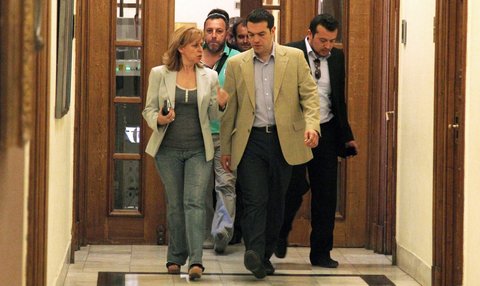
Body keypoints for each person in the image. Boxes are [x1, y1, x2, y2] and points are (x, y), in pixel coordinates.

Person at [220, 8, 320, 279]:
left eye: (261, 34)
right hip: (251, 141)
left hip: (283, 140)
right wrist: (226, 149)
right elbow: (230, 109)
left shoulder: (295, 58)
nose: (255, 40)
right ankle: (253, 251)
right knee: (254, 198)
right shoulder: (237, 64)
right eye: (250, 35)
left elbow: (310, 97)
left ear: (273, 32)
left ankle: (262, 256)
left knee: (277, 200)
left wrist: (312, 127)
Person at [142, 26, 228, 280]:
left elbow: (213, 116)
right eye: (195, 45)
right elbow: (148, 110)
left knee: (194, 202)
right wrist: (158, 118)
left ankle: (196, 260)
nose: (201, 49)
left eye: (201, 45)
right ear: (180, 48)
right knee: (176, 204)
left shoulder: (210, 77)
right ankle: (175, 257)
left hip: (199, 150)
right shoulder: (159, 74)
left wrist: (221, 104)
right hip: (167, 150)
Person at [274, 14, 358, 268]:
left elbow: (338, 100)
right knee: (293, 186)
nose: (328, 46)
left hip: (327, 131)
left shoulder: (337, 58)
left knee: (326, 194)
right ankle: (279, 233)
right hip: (296, 132)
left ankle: (321, 252)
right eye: (323, 40)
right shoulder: (289, 52)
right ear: (309, 33)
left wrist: (347, 136)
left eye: (332, 41)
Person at [201, 8, 240, 254]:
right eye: (209, 31)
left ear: (227, 34)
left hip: (226, 135)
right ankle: (204, 233)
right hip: (198, 133)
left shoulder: (238, 60)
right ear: (203, 33)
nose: (214, 36)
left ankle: (222, 233)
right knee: (201, 187)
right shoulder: (193, 58)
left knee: (225, 185)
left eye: (219, 31)